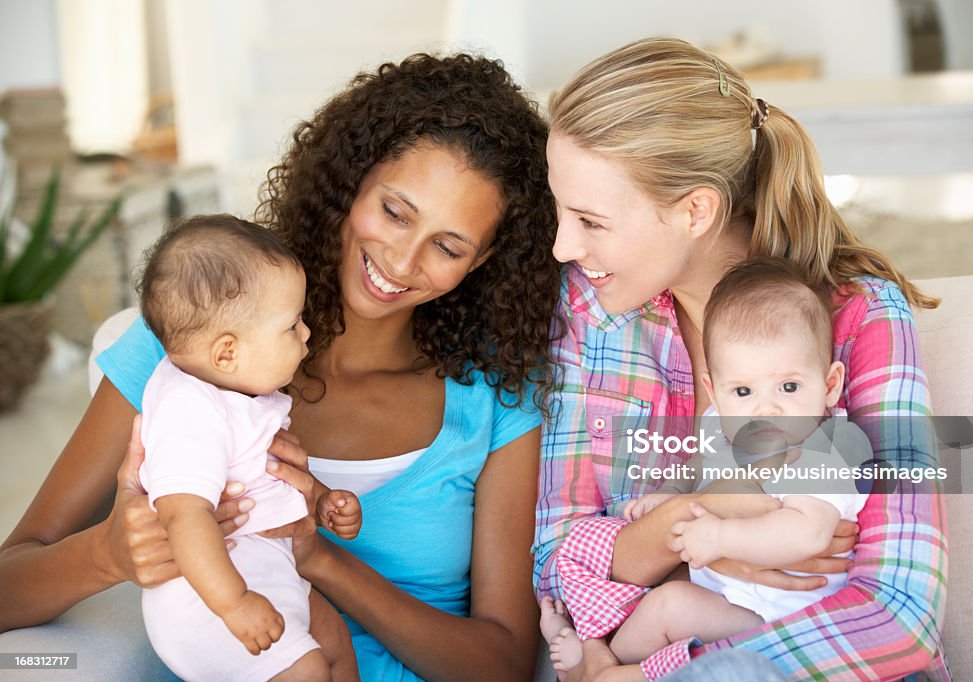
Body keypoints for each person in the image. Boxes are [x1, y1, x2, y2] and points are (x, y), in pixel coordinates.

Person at [0, 53, 562, 682]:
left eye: (449, 245)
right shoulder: (189, 347)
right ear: (352, 180)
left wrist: (318, 557)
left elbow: (503, 666)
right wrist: (107, 555)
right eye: (396, 212)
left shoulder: (495, 393)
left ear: (482, 263)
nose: (402, 261)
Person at [533, 38, 947, 681]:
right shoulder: (592, 312)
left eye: (590, 220)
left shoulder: (861, 318)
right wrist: (699, 529)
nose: (562, 247)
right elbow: (557, 563)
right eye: (561, 212)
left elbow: (898, 613)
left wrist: (663, 666)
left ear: (696, 210)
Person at [545, 257, 873, 671]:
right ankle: (595, 649)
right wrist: (670, 497)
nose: (765, 407)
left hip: (780, 620)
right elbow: (700, 466)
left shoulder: (829, 447)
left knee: (670, 605)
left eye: (789, 386)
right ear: (714, 392)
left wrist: (720, 539)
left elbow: (808, 534)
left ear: (829, 385)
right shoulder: (724, 426)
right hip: (727, 591)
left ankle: (607, 667)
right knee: (627, 567)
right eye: (742, 390)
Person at [134, 214, 361, 680]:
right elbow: (184, 515)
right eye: (291, 326)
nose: (306, 334)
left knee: (335, 642)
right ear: (226, 353)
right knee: (308, 670)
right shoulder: (189, 411)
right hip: (208, 598)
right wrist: (233, 603)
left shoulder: (238, 393)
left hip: (269, 576)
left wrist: (321, 500)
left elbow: (266, 472)